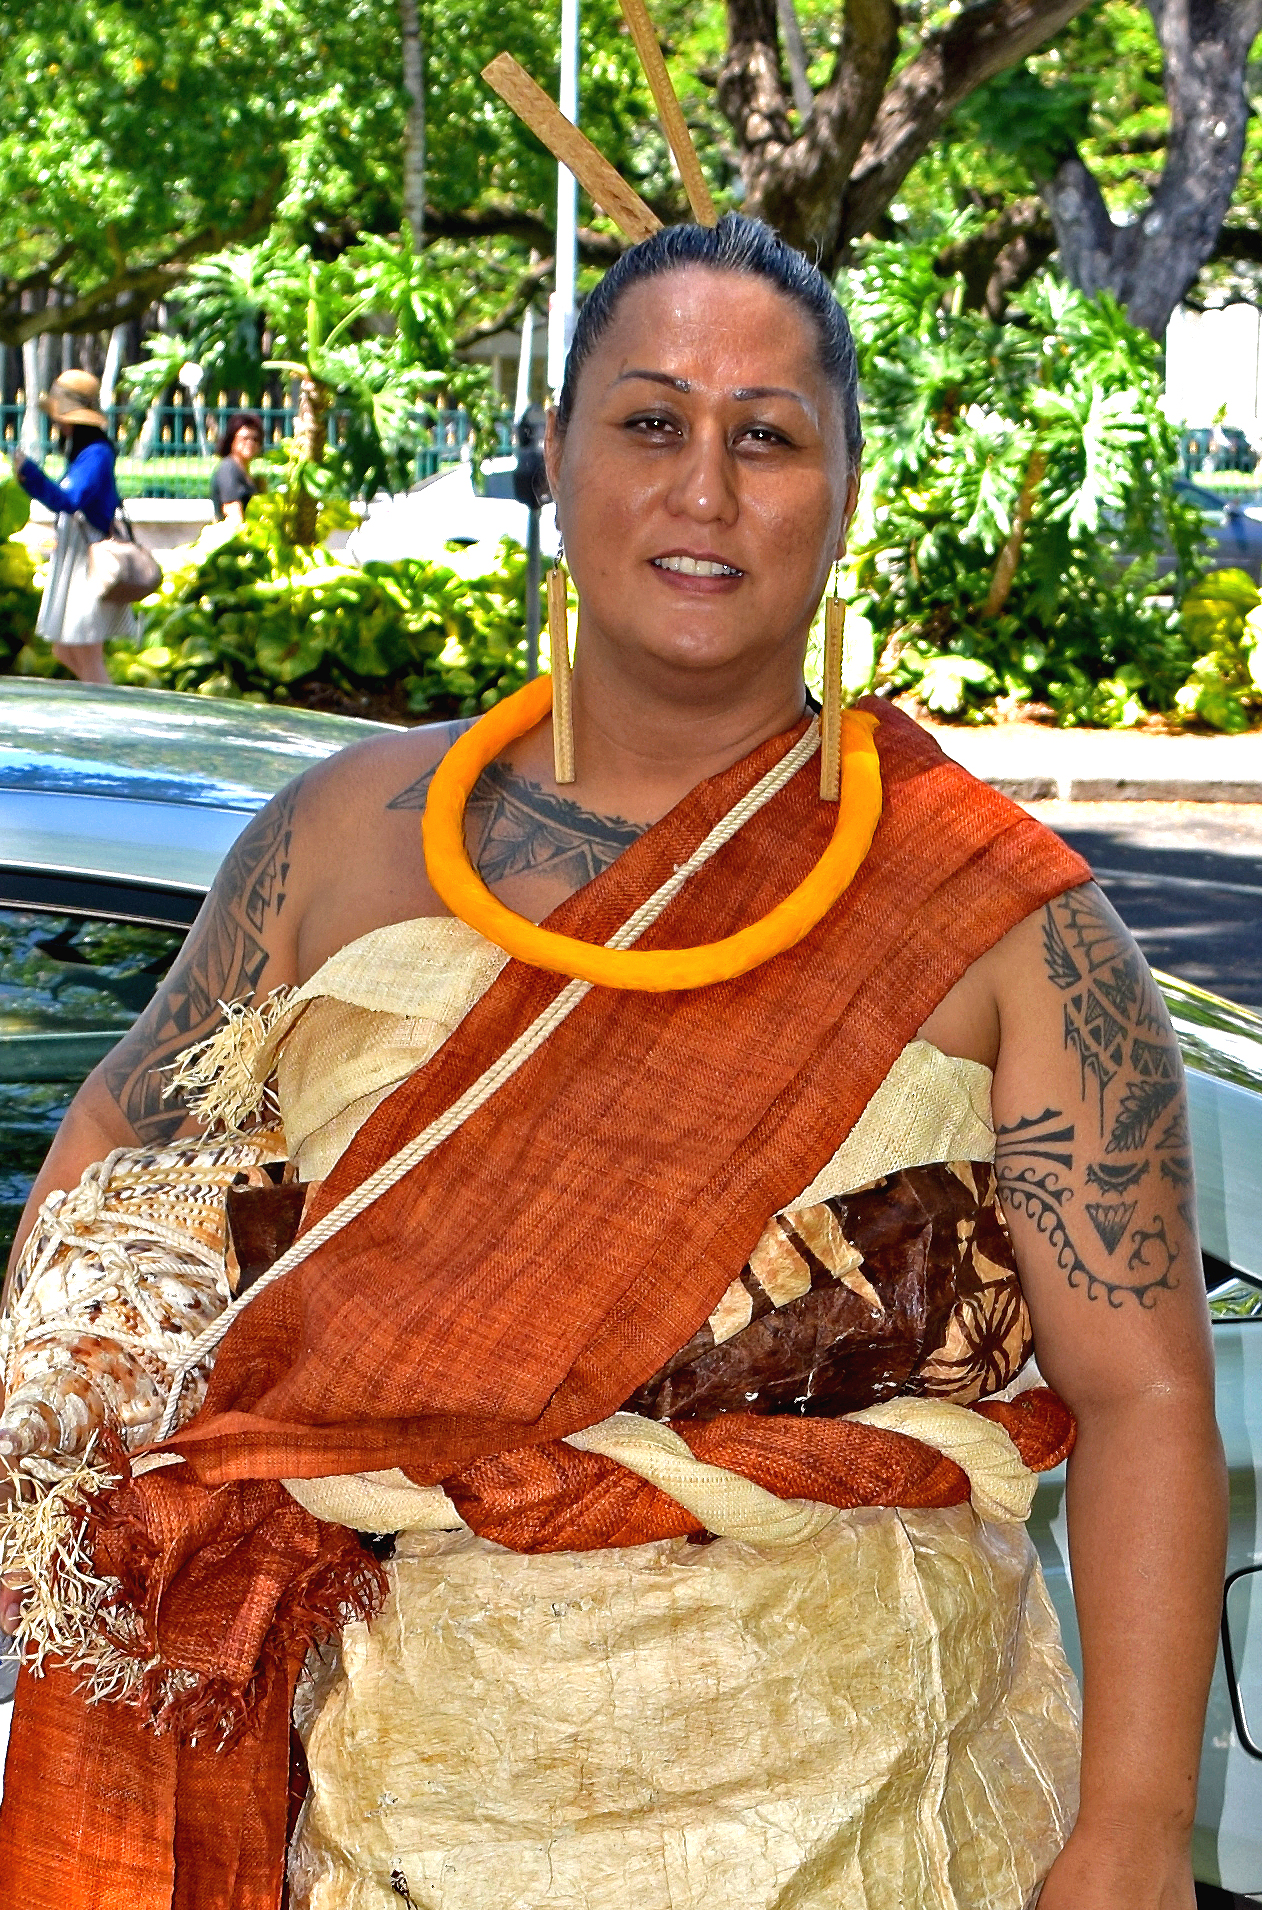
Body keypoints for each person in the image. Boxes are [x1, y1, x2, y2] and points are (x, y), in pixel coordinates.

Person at [0, 217, 1225, 1910]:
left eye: (766, 435)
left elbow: (1144, 1388)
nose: (703, 489)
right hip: (391, 1816)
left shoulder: (1008, 920)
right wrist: (83, 1531)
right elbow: (107, 1185)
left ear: (844, 491)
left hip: (888, 1822)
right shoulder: (338, 844)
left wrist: (1135, 1831)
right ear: (553, 460)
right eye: (648, 422)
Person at [12, 368, 133, 684]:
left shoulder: (97, 454)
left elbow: (69, 500)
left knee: (85, 650)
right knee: (64, 650)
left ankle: (107, 717)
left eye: (61, 415)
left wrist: (30, 474)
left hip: (88, 558)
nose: (57, 421)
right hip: (75, 553)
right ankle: (103, 708)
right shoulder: (86, 454)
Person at [210, 410, 265, 523]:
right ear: (232, 441)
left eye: (255, 439)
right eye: (244, 438)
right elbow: (234, 516)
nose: (250, 443)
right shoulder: (228, 470)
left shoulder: (247, 473)